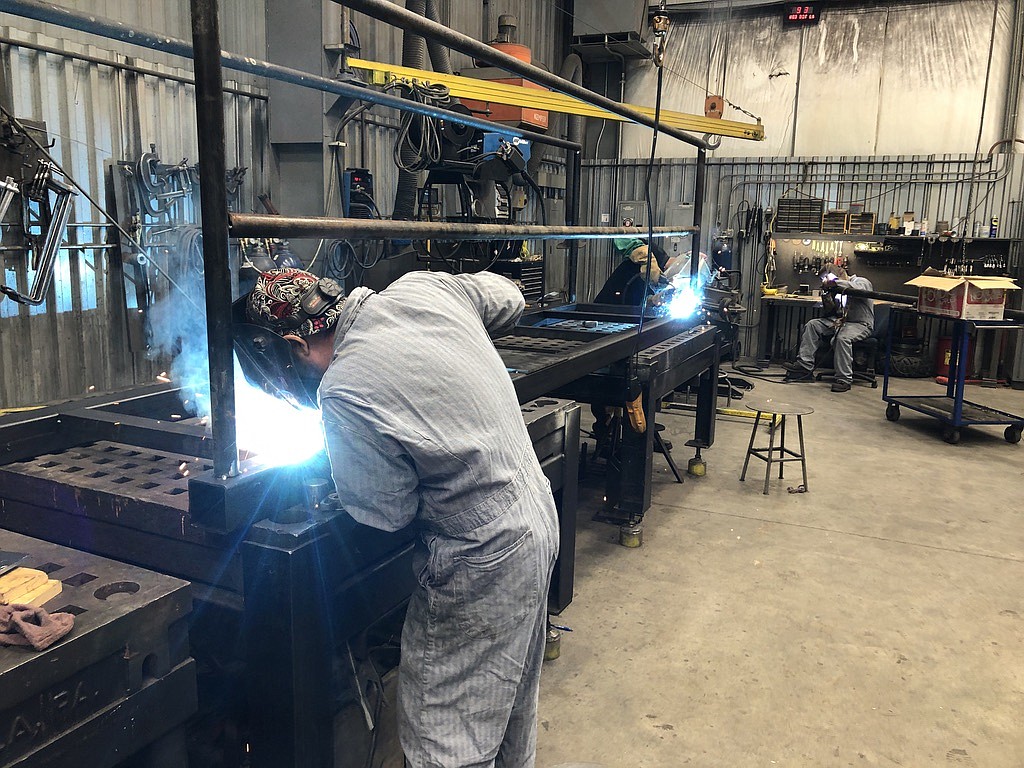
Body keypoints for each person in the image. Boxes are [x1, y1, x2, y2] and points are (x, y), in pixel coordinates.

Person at [245, 267, 559, 768]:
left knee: (447, 732)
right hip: (537, 511)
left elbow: (387, 512)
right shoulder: (425, 286)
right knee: (508, 700)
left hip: (481, 550)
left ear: (296, 345)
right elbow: (509, 296)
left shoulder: (343, 387)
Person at [784, 263, 874, 393]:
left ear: (841, 273)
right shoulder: (835, 289)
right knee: (813, 325)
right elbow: (831, 312)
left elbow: (858, 290)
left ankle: (844, 379)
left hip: (860, 324)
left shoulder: (861, 281)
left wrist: (835, 283)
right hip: (841, 321)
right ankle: (804, 366)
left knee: (841, 338)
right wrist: (827, 296)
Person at [592, 237, 670, 306]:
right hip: (606, 305)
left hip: (627, 316)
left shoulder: (662, 284)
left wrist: (652, 300)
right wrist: (647, 259)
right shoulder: (656, 253)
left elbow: (642, 302)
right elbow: (621, 238)